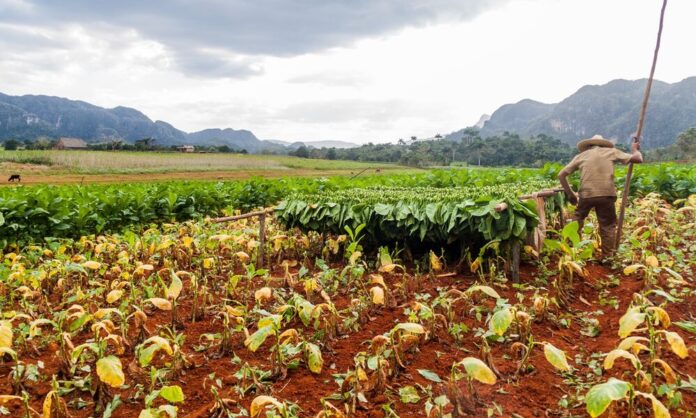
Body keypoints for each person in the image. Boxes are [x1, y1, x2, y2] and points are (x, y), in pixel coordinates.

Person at [557, 134, 643, 258]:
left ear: (588, 146)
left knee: (577, 220)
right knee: (607, 225)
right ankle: (608, 257)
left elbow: (561, 175)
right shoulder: (611, 152)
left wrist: (571, 195)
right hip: (606, 195)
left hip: (586, 195)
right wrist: (635, 149)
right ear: (603, 145)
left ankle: (572, 252)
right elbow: (638, 159)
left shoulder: (581, 156)